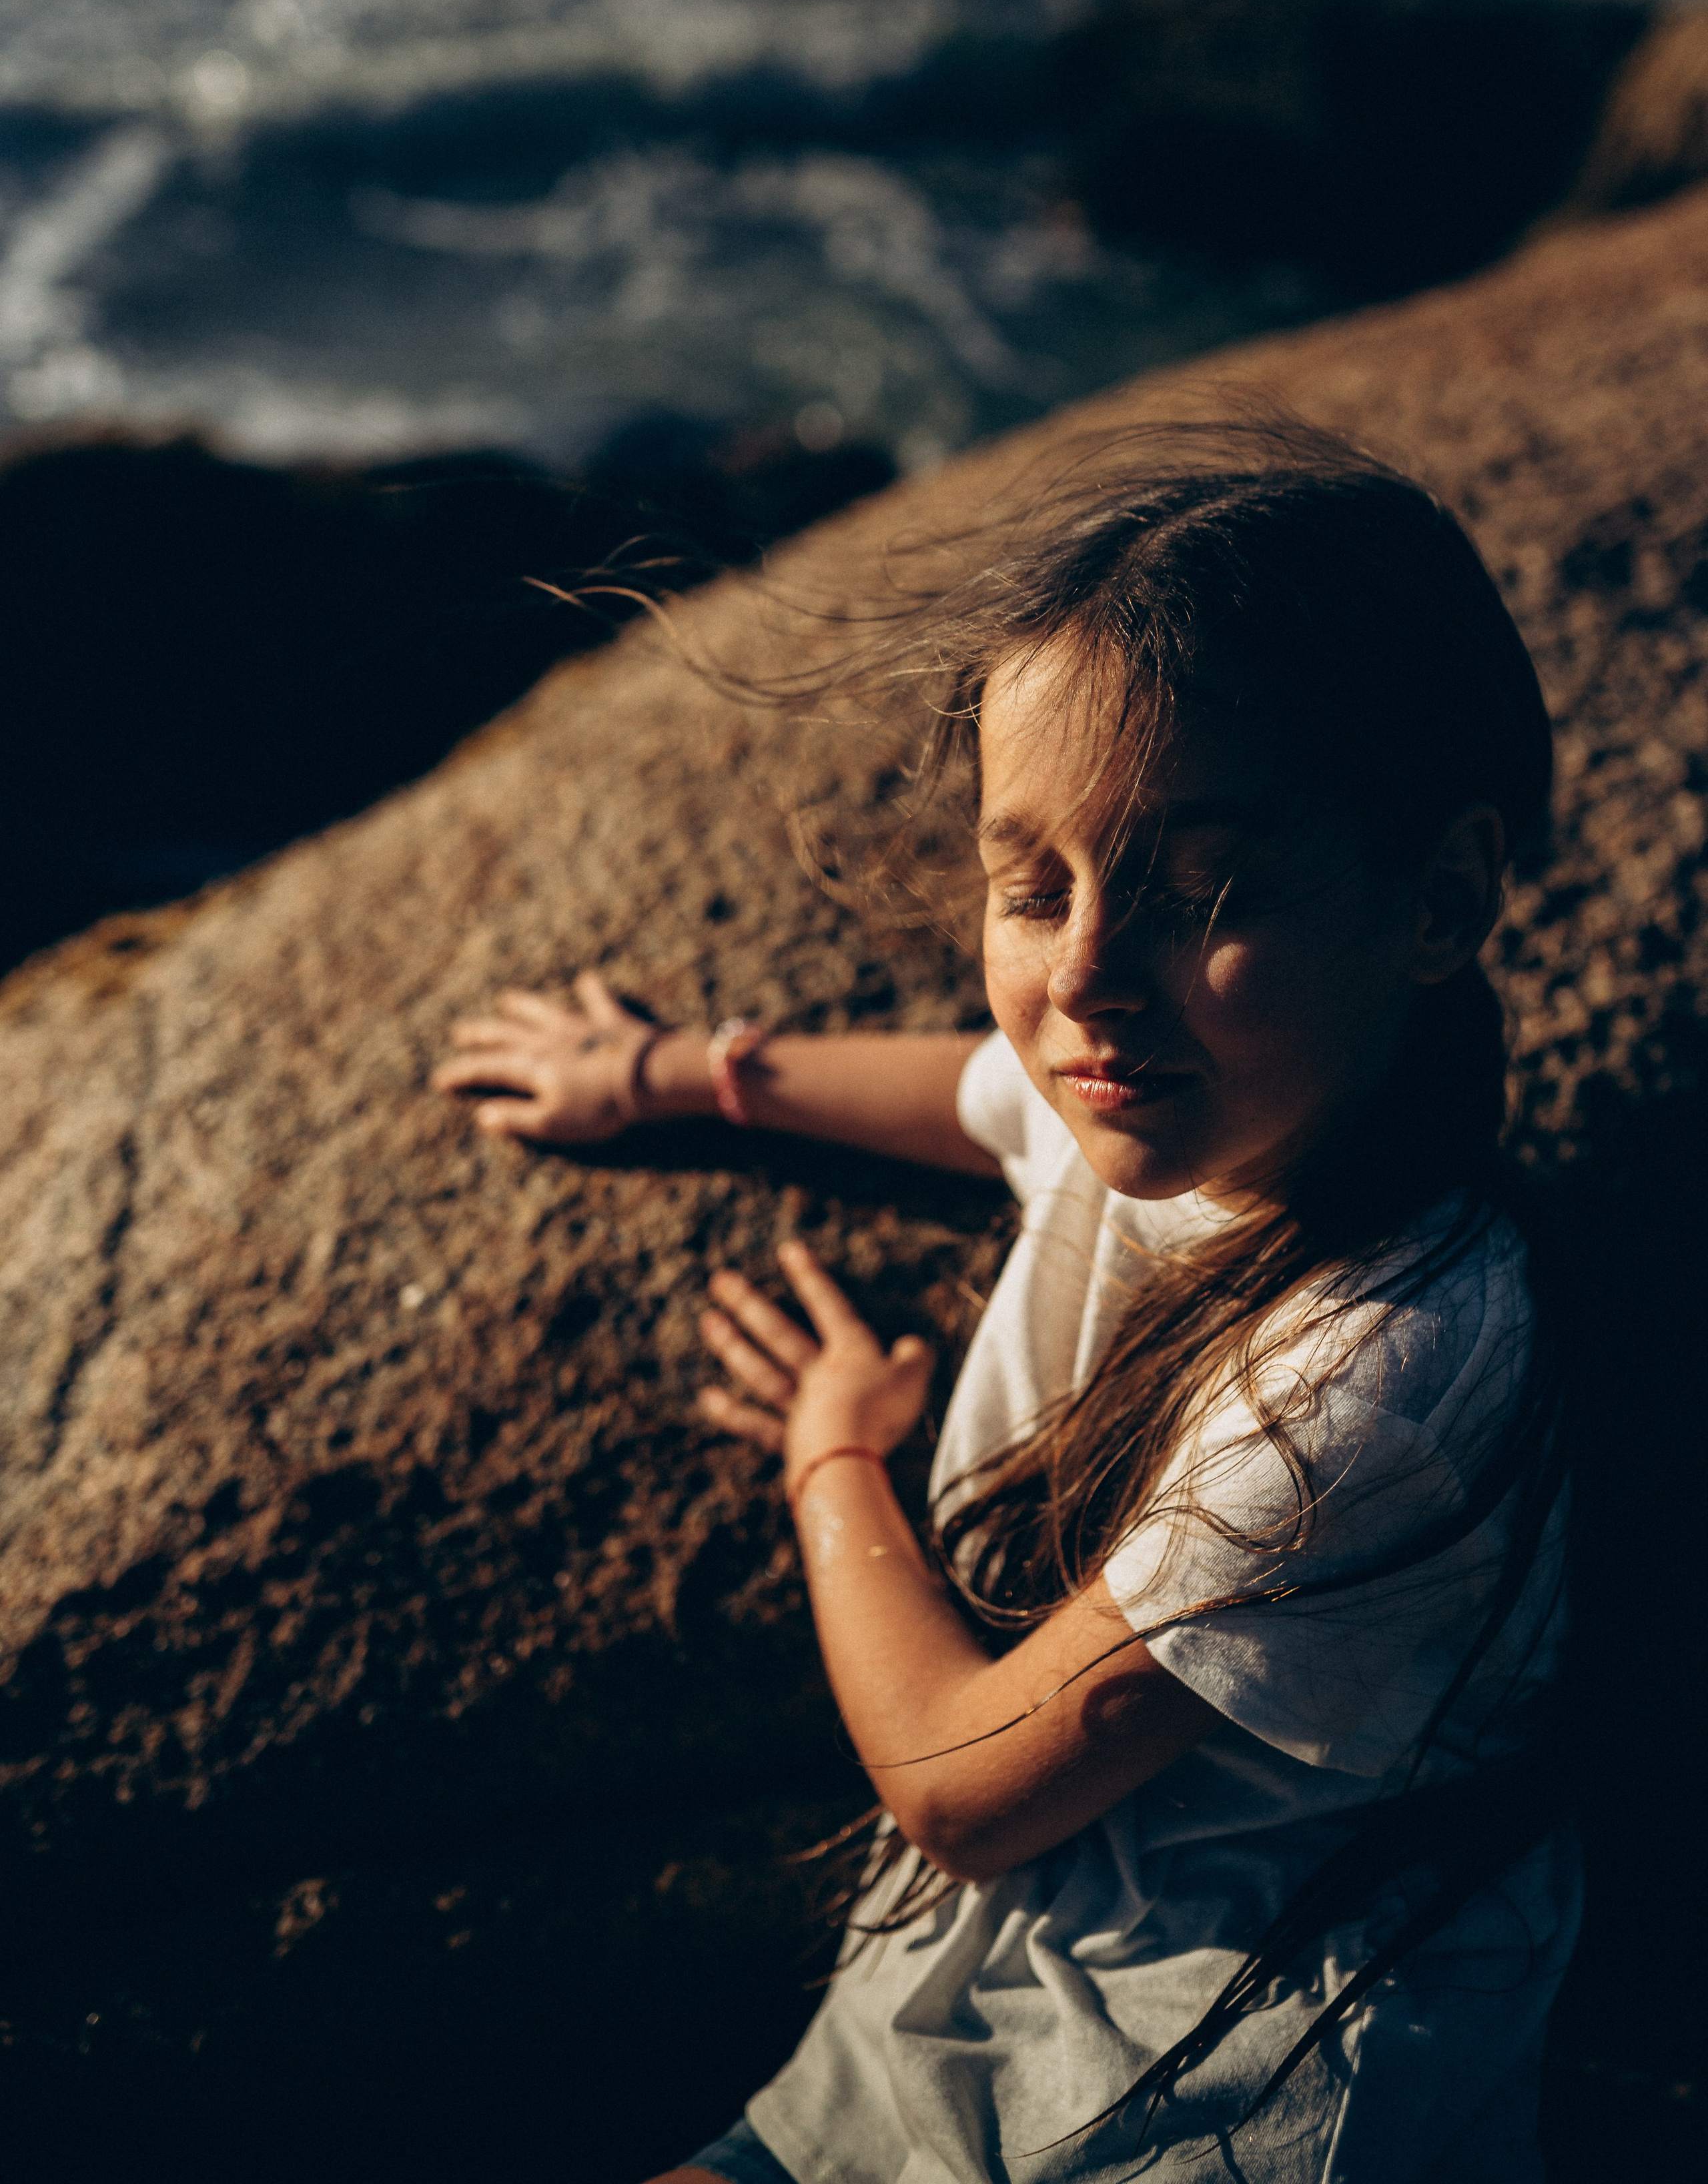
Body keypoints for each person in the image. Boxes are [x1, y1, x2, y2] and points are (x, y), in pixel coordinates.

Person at [433, 430, 1579, 2184]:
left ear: (1441, 900)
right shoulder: (1198, 1088)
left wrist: (834, 1463)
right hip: (1066, 1959)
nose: (1085, 981)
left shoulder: (1384, 1374)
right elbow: (979, 1086)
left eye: (1205, 889)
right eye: (1033, 882)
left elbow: (961, 1786)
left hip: (1213, 2047)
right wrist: (674, 1072)